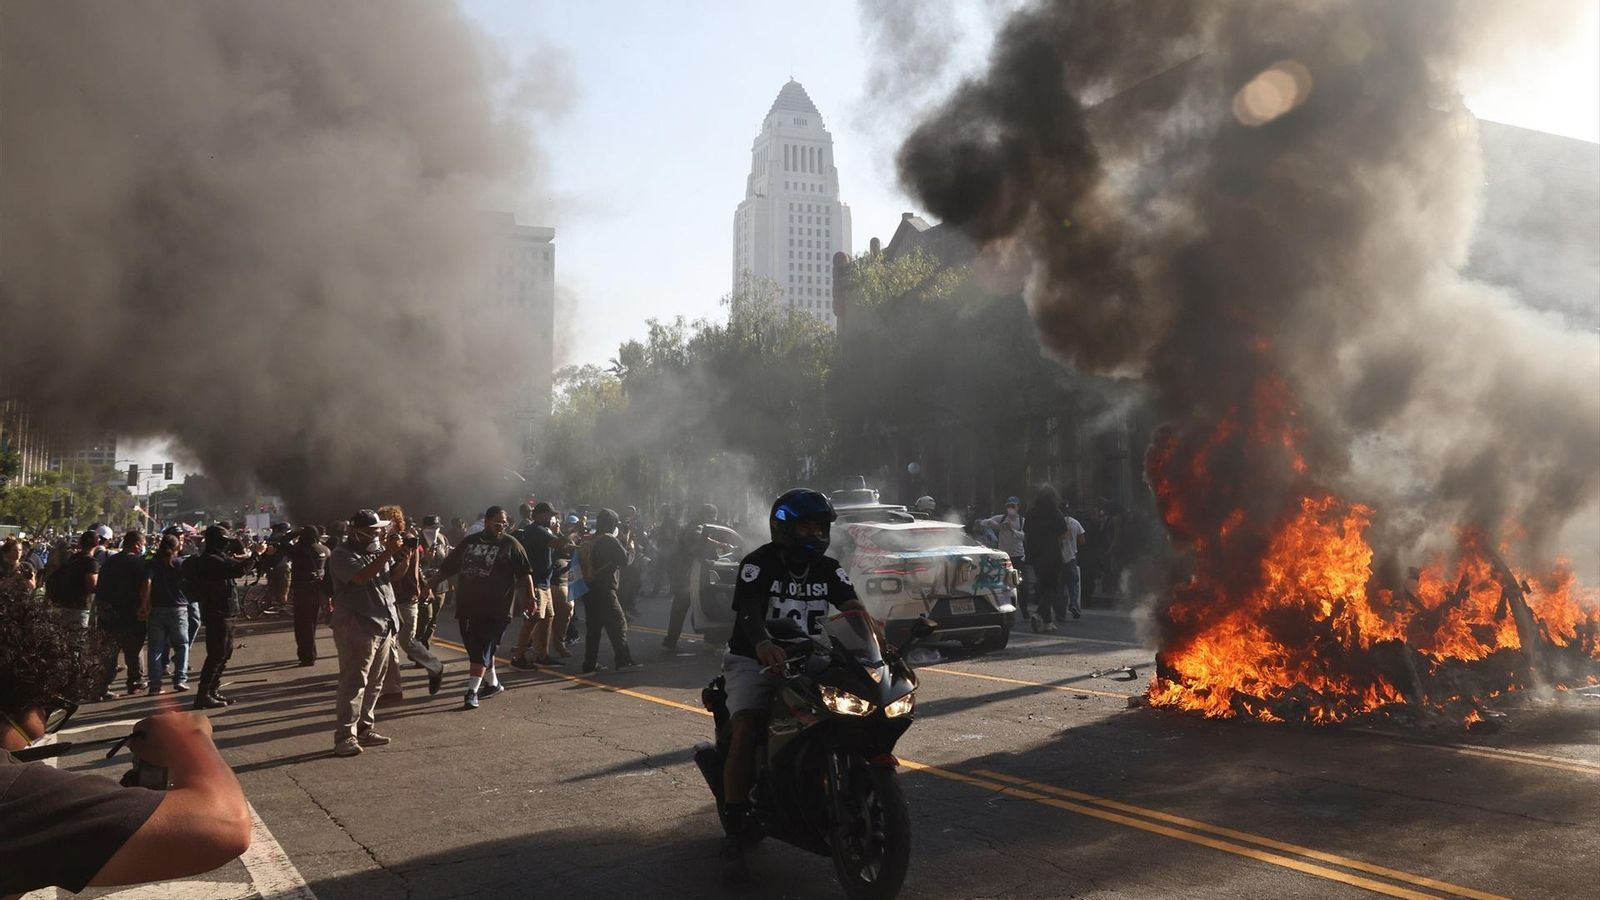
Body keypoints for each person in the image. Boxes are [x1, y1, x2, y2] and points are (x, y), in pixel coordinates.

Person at [0, 599, 252, 897]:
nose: (40, 733)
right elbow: (225, 827)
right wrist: (193, 739)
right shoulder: (14, 793)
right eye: (48, 710)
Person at [719, 489, 869, 883]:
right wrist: (764, 644)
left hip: (810, 659)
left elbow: (851, 607)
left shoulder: (829, 568)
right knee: (747, 726)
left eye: (820, 525)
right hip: (753, 659)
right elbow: (750, 613)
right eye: (807, 524)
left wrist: (873, 635)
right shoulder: (758, 564)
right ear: (784, 526)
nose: (815, 532)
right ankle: (735, 826)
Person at [430, 506, 533, 709]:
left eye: (505, 523)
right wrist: (427, 586)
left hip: (498, 609)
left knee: (482, 648)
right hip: (468, 607)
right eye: (497, 522)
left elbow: (524, 573)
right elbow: (447, 568)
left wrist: (531, 598)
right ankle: (493, 684)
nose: (501, 527)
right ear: (486, 521)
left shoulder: (511, 544)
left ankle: (471, 692)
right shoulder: (470, 542)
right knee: (476, 649)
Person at [327, 509, 405, 757]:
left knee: (375, 682)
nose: (379, 535)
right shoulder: (341, 555)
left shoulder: (378, 551)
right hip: (356, 624)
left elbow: (391, 577)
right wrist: (388, 552)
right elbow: (360, 578)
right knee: (354, 682)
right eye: (373, 531)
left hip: (383, 622)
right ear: (356, 532)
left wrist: (403, 557)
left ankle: (364, 728)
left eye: (380, 530)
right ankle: (345, 736)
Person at [375, 506, 445, 702]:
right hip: (389, 599)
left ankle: (435, 666)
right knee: (389, 644)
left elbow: (413, 567)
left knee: (407, 641)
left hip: (406, 598)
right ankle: (393, 690)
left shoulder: (406, 541)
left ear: (396, 522)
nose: (382, 525)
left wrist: (425, 586)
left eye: (386, 520)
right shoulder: (383, 542)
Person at [182, 525, 255, 709]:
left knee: (225, 653)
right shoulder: (211, 560)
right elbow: (238, 570)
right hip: (217, 613)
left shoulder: (217, 558)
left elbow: (235, 564)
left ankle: (212, 690)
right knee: (216, 654)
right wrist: (255, 555)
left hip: (226, 611)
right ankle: (203, 694)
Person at [578, 508, 640, 675]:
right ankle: (623, 661)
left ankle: (589, 664)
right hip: (604, 589)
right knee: (618, 624)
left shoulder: (593, 538)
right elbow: (625, 560)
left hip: (589, 588)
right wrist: (631, 547)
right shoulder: (608, 540)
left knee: (594, 628)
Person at [662, 503, 731, 651]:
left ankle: (671, 641)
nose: (714, 520)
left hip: (691, 574)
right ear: (706, 515)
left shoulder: (697, 527)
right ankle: (711, 640)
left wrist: (720, 545)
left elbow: (703, 539)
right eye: (712, 517)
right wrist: (718, 547)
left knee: (686, 608)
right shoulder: (696, 528)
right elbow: (697, 543)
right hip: (691, 575)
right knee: (706, 605)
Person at [94, 531, 149, 700]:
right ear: (137, 544)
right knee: (134, 650)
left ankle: (102, 687)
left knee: (109, 652)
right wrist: (144, 606)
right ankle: (136, 682)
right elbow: (146, 584)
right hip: (130, 613)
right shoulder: (137, 563)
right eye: (143, 543)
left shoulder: (110, 562)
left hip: (108, 614)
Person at [510, 502, 562, 668]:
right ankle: (518, 658)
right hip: (536, 583)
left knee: (548, 617)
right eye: (550, 515)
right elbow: (559, 544)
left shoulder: (543, 530)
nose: (552, 518)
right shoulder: (536, 530)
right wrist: (570, 533)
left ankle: (542, 655)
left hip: (544, 583)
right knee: (533, 619)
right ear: (541, 515)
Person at [139, 534, 190, 695]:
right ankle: (180, 679)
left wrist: (144, 605)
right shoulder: (180, 564)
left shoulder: (152, 564)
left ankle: (155, 685)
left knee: (156, 647)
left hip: (157, 608)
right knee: (182, 645)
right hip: (178, 608)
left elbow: (147, 583)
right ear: (177, 547)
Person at [1024, 486, 1068, 633]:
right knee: (1052, 587)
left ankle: (1048, 622)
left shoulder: (1031, 513)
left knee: (1043, 587)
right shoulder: (1056, 513)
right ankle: (1039, 613)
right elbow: (1064, 532)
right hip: (1053, 554)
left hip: (1036, 555)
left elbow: (1026, 533)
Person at [285, 526, 331, 666]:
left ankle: (307, 656)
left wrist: (293, 533)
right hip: (318, 589)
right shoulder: (325, 550)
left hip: (302, 590)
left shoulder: (299, 551)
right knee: (312, 623)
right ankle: (310, 654)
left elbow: (281, 544)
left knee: (303, 625)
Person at [980, 497, 1028, 619]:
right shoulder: (1001, 518)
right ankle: (1004, 608)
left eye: (1013, 506)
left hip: (1018, 555)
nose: (1010, 509)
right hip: (1004, 556)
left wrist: (1012, 529)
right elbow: (984, 522)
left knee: (1022, 583)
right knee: (1003, 582)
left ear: (1018, 507)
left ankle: (1024, 609)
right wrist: (997, 525)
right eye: (1008, 506)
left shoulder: (1021, 521)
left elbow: (1023, 536)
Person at [45, 530, 100, 631]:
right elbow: (91, 587)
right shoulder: (91, 563)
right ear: (97, 544)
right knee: (76, 640)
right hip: (78, 608)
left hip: (60, 604)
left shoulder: (71, 558)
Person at [415, 514, 451, 648]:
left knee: (433, 620)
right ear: (424, 528)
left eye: (437, 527)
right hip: (423, 584)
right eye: (431, 528)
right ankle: (417, 648)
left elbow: (447, 562)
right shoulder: (417, 540)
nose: (435, 530)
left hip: (440, 584)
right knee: (425, 617)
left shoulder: (442, 539)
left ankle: (425, 650)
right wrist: (425, 558)